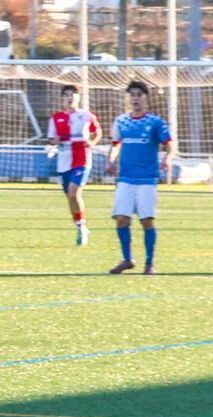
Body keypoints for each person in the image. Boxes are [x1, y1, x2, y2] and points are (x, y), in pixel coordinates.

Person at [106, 81, 176, 275]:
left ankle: (149, 263)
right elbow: (115, 145)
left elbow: (169, 145)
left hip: (147, 179)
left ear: (146, 98)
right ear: (128, 98)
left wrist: (168, 158)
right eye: (132, 95)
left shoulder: (155, 122)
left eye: (139, 94)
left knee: (146, 220)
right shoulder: (121, 121)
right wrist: (110, 161)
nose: (135, 98)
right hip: (126, 178)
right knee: (121, 219)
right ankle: (127, 259)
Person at [47, 84, 102, 246]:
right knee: (70, 197)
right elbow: (51, 139)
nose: (70, 98)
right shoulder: (56, 118)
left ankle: (82, 227)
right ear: (62, 99)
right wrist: (53, 141)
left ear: (78, 98)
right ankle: (80, 226)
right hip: (64, 160)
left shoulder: (86, 116)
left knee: (73, 193)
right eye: (66, 95)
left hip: (82, 158)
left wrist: (92, 142)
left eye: (73, 95)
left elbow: (97, 131)